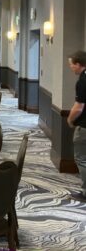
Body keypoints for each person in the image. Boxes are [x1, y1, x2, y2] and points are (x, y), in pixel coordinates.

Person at [66, 50, 86, 202]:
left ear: (79, 65)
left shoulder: (82, 81)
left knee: (82, 159)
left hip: (84, 127)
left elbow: (79, 107)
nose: (71, 67)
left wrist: (70, 120)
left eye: (72, 65)